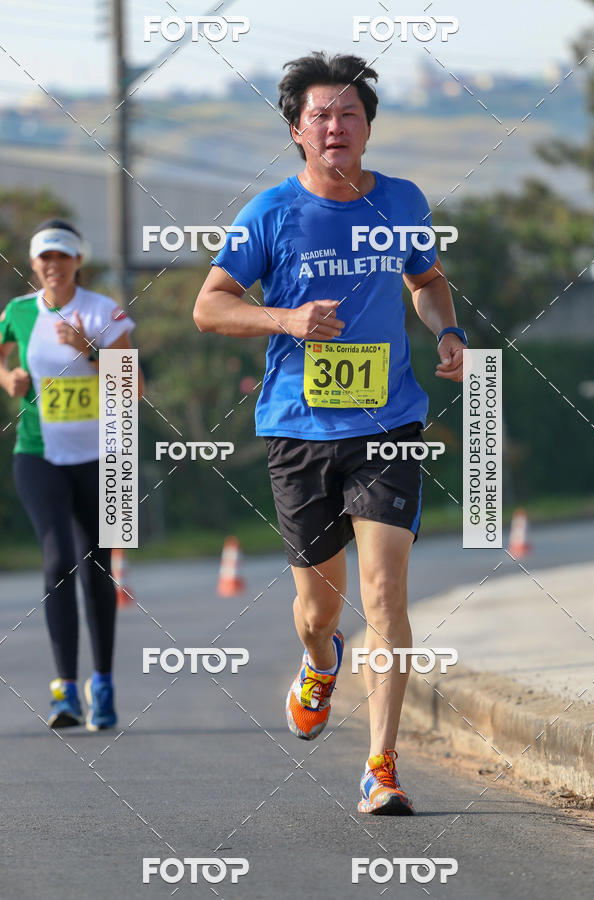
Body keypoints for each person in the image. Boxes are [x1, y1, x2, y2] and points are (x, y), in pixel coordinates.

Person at [194, 53, 466, 814]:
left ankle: (382, 765)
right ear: (297, 131)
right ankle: (320, 663)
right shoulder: (270, 213)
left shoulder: (403, 201)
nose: (336, 126)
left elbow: (426, 280)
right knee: (319, 613)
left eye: (350, 113)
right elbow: (209, 307)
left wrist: (447, 331)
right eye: (321, 115)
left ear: (368, 128)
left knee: (384, 590)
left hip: (389, 422)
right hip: (299, 428)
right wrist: (286, 319)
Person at [0, 219, 141, 731]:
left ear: (78, 260)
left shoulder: (105, 311)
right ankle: (64, 690)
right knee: (58, 559)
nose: (53, 265)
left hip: (106, 456)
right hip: (38, 453)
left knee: (97, 568)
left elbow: (135, 388)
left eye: (63, 256)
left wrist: (87, 350)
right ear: (34, 264)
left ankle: (101, 683)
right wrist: (8, 377)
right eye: (45, 257)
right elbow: (2, 356)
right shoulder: (18, 312)